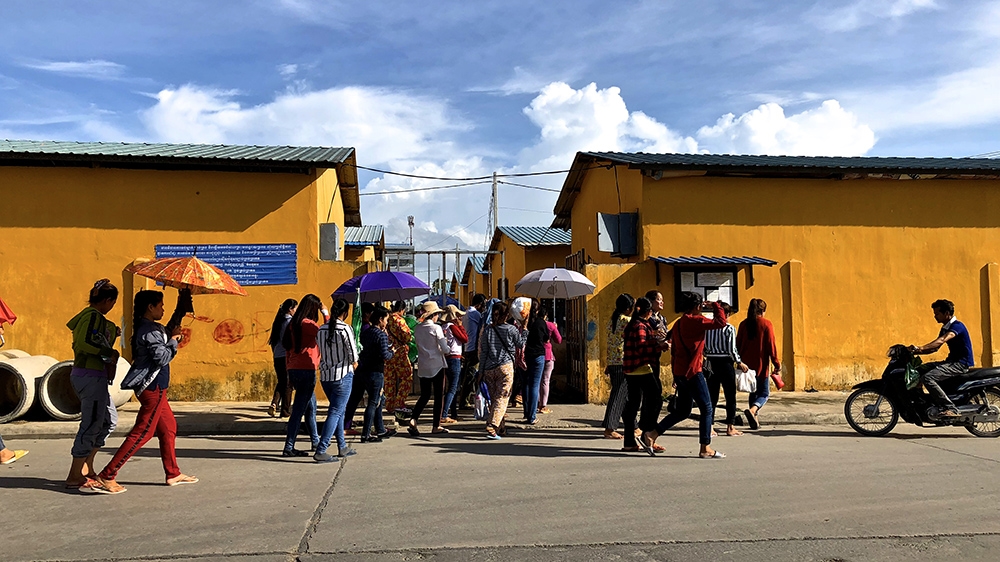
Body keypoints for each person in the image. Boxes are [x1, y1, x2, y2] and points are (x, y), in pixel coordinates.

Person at [92, 290, 198, 494]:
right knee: (143, 432)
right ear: (150, 307)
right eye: (160, 306)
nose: (162, 309)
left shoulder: (150, 327)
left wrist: (180, 309)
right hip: (152, 387)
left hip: (157, 388)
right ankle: (107, 475)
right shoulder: (149, 330)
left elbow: (166, 334)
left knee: (168, 428)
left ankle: (173, 473)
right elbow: (162, 357)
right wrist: (175, 340)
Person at [643, 292, 727, 459]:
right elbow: (721, 322)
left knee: (683, 411)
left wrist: (675, 374)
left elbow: (674, 348)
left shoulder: (680, 322)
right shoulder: (696, 321)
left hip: (680, 371)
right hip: (693, 371)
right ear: (697, 306)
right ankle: (705, 447)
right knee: (707, 408)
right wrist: (716, 306)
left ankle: (652, 434)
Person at [65, 279, 121, 490]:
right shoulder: (92, 317)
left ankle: (86, 467)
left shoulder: (96, 319)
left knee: (108, 420)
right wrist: (108, 352)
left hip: (93, 376)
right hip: (89, 376)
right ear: (108, 301)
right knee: (91, 425)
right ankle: (75, 474)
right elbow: (84, 343)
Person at [281, 294, 329, 457]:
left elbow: (287, 349)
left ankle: (315, 440)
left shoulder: (293, 324)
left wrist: (288, 371)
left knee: (311, 407)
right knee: (299, 410)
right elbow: (328, 333)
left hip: (294, 368)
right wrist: (325, 313)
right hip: (306, 369)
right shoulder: (308, 325)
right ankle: (289, 446)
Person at [910, 299, 974, 418]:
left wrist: (921, 347)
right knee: (920, 370)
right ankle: (923, 402)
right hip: (951, 362)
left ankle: (950, 408)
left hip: (960, 364)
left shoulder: (957, 326)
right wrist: (916, 351)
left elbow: (943, 339)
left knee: (928, 378)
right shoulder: (945, 327)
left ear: (946, 314)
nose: (935, 316)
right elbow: (935, 348)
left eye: (937, 314)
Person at [620, 297, 668, 452]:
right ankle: (648, 433)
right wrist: (659, 346)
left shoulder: (633, 324)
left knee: (633, 403)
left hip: (630, 368)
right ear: (648, 311)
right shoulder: (640, 325)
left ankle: (629, 441)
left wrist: (655, 336)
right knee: (655, 399)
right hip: (641, 367)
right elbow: (641, 347)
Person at [314, 298, 358, 462]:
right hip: (343, 374)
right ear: (345, 313)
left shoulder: (321, 329)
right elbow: (353, 354)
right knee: (336, 412)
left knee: (338, 411)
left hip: (326, 376)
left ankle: (342, 446)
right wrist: (355, 364)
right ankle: (322, 448)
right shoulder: (345, 329)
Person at [478, 300, 528, 439]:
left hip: (489, 368)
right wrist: (524, 329)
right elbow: (521, 344)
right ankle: (492, 425)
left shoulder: (487, 329)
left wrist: (481, 371)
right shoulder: (511, 329)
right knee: (503, 398)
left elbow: (484, 352)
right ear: (507, 315)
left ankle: (501, 428)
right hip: (505, 367)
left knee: (495, 399)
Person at [705, 302, 749, 437]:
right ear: (727, 315)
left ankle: (710, 427)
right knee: (730, 395)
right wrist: (739, 362)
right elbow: (732, 349)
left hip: (711, 361)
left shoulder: (708, 328)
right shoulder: (729, 328)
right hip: (726, 362)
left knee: (712, 396)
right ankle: (730, 426)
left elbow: (704, 347)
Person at [737, 298, 781, 430]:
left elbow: (737, 345)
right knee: (764, 393)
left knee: (753, 392)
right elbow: (771, 346)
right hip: (761, 365)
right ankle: (753, 410)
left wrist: (738, 362)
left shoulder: (743, 324)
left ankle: (755, 420)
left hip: (746, 366)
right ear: (762, 311)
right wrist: (776, 364)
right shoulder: (766, 324)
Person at [408, 301, 451, 435]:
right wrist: (448, 348)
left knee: (424, 395)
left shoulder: (418, 328)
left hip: (423, 365)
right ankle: (436, 425)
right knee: (439, 396)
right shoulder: (436, 328)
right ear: (433, 315)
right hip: (437, 365)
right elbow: (445, 349)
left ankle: (414, 418)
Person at [357, 306, 396, 443]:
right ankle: (366, 434)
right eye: (386, 320)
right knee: (374, 402)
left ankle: (380, 429)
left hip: (365, 369)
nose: (386, 323)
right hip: (376, 370)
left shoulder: (366, 332)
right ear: (380, 320)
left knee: (378, 400)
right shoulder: (381, 335)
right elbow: (385, 355)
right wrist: (393, 352)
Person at [602, 293, 634, 439]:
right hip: (623, 361)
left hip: (613, 361)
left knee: (624, 397)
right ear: (628, 308)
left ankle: (634, 425)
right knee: (618, 395)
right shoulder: (626, 320)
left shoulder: (612, 320)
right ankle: (610, 427)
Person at [344, 302, 375, 433]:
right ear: (367, 314)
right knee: (374, 399)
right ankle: (375, 428)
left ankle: (346, 425)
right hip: (366, 367)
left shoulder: (356, 328)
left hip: (358, 367)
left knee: (354, 398)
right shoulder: (367, 329)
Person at [268, 298, 297, 418]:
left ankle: (275, 403)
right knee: (288, 384)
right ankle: (285, 410)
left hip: (277, 355)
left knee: (282, 381)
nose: (296, 311)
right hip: (286, 356)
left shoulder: (278, 321)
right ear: (290, 309)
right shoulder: (290, 322)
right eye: (295, 308)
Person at [521, 299, 549, 424]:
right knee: (534, 385)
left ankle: (527, 412)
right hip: (538, 355)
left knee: (526, 384)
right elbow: (546, 339)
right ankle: (532, 416)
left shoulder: (526, 322)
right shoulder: (540, 322)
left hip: (527, 355)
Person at [439, 305, 468, 423]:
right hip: (454, 358)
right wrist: (460, 326)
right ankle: (445, 414)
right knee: (453, 388)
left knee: (452, 387)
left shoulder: (443, 327)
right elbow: (465, 339)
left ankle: (453, 414)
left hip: (447, 358)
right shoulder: (453, 327)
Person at [457, 294, 486, 409]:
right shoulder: (476, 314)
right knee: (471, 375)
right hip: (474, 348)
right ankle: (464, 401)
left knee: (468, 375)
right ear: (479, 305)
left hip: (467, 348)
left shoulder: (466, 313)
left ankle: (466, 399)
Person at [384, 301, 413, 413]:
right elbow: (407, 337)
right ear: (402, 309)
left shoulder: (387, 318)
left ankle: (390, 405)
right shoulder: (400, 320)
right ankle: (399, 402)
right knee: (407, 377)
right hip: (399, 352)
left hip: (388, 351)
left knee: (389, 379)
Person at [538, 308, 562, 415]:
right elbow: (559, 340)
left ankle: (536, 403)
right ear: (546, 315)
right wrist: (555, 328)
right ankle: (543, 405)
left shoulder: (534, 324)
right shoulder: (550, 325)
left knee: (536, 381)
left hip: (536, 354)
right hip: (547, 354)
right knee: (545, 380)